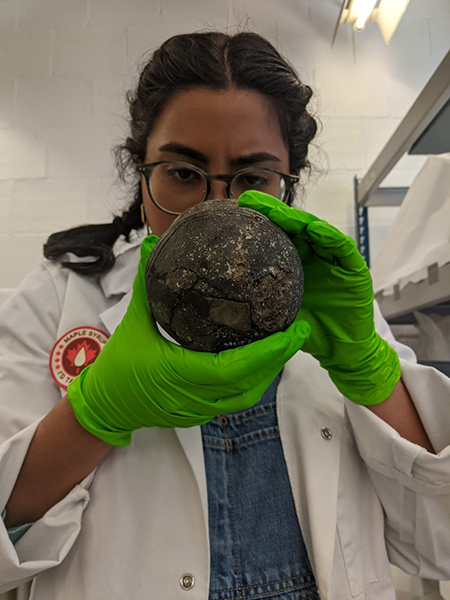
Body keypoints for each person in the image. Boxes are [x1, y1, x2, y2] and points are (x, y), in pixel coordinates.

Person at [0, 30, 449, 600]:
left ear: (285, 186)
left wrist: (372, 374)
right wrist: (92, 417)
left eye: (254, 178)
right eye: (184, 174)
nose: (216, 210)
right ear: (143, 178)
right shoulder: (57, 302)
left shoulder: (333, 309)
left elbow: (441, 544)